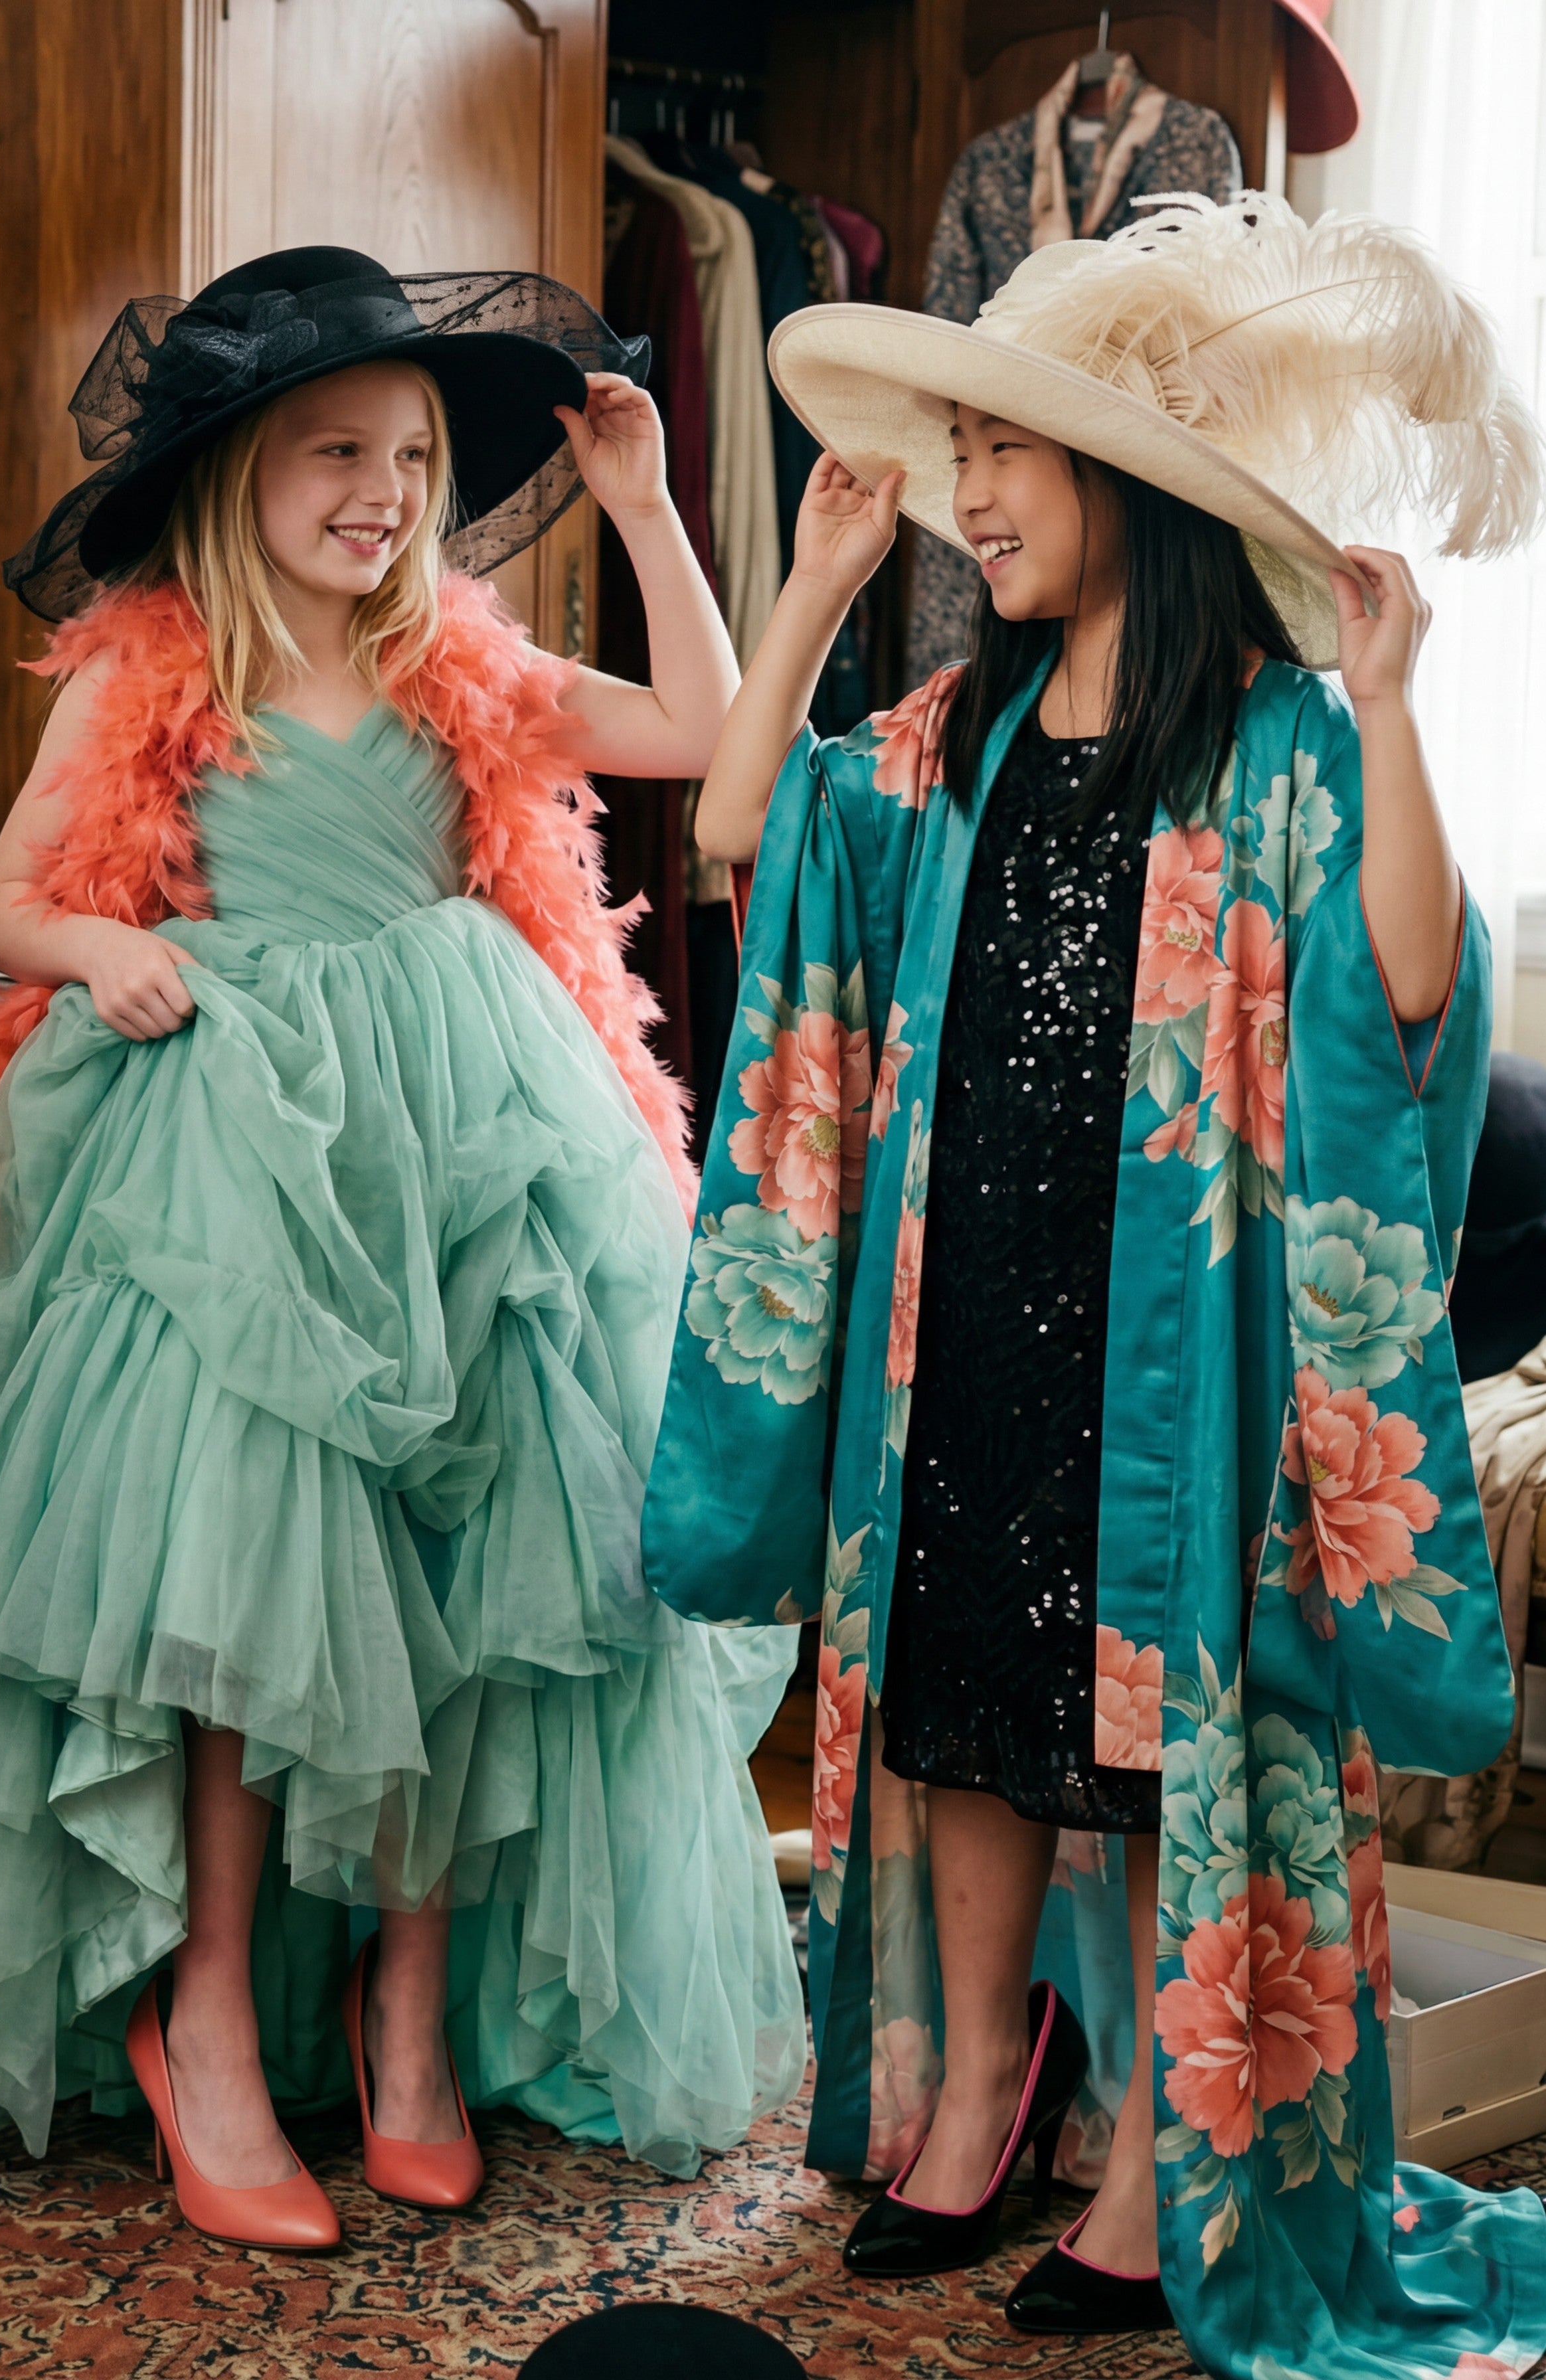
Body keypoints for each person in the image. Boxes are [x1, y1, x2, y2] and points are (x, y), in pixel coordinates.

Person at [645, 191, 1546, 2377]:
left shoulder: (1274, 748)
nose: (964, 499)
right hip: (962, 1308)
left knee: (1141, 1751)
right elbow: (739, 836)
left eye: (999, 461)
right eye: (955, 459)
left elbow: (1413, 984)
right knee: (966, 1716)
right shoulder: (949, 740)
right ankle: (969, 2093)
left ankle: (1155, 2146)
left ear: (1118, 480)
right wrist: (813, 589)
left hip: (1170, 1340)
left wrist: (1392, 700)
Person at [0, 246, 806, 2247]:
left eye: (404, 455)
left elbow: (704, 739)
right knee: (245, 1598)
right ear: (233, 476)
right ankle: (204, 2016)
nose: (379, 488)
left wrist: (647, 507)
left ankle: (407, 2006)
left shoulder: (445, 667)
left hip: (462, 1136)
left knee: (462, 1578)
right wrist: (109, 942)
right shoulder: (151, 677)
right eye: (331, 452)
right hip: (235, 1152)